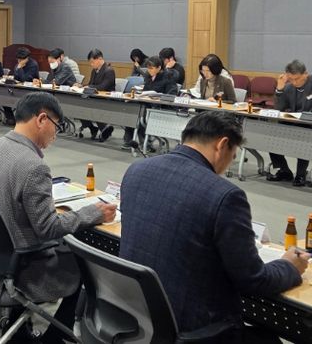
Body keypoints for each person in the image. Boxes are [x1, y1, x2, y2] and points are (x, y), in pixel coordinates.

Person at [120, 111, 308, 342]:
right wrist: (289, 266)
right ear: (222, 145)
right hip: (192, 329)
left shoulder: (136, 170)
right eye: (233, 155)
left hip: (138, 317)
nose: (229, 162)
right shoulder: (224, 195)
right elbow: (253, 280)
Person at [0, 92, 115, 344]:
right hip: (24, 268)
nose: (55, 135)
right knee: (88, 267)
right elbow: (48, 228)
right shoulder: (33, 166)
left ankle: (18, 333)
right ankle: (54, 339)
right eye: (57, 127)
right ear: (42, 119)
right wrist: (93, 213)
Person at [268, 59, 312, 186]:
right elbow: (278, 108)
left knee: (304, 138)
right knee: (270, 135)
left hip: (308, 124)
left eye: (297, 79)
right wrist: (279, 89)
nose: (294, 82)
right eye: (291, 79)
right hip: (294, 121)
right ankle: (284, 171)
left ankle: (301, 174)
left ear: (305, 74)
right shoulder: (288, 87)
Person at [122, 56, 177, 148]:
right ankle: (129, 140)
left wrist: (158, 97)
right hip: (148, 105)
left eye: (151, 68)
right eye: (148, 68)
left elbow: (171, 95)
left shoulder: (168, 77)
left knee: (141, 113)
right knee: (132, 109)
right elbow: (146, 91)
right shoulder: (148, 76)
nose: (149, 70)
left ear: (159, 68)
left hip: (160, 107)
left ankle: (146, 143)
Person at [80, 49, 116, 142]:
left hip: (106, 99)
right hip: (95, 97)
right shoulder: (94, 71)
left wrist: (89, 86)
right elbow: (91, 84)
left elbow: (103, 87)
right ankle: (93, 128)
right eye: (90, 62)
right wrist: (81, 86)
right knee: (79, 104)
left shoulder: (109, 70)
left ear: (100, 59)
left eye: (92, 62)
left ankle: (104, 129)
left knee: (92, 105)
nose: (91, 64)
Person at [3, 47, 40, 125]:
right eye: (18, 59)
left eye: (21, 59)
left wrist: (19, 68)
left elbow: (25, 79)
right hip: (18, 88)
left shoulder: (33, 65)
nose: (19, 61)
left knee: (20, 102)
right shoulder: (19, 64)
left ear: (27, 58)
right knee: (4, 97)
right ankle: (10, 118)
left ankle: (23, 121)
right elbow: (16, 77)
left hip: (29, 90)